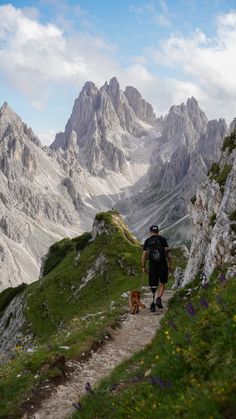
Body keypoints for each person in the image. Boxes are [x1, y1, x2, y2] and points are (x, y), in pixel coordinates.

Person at [141, 225, 172, 311]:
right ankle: (159, 298)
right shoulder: (163, 240)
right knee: (162, 282)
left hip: (152, 265)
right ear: (158, 231)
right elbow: (169, 255)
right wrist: (170, 265)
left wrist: (143, 266)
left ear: (150, 232)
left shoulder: (147, 241)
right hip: (162, 264)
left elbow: (144, 255)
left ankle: (153, 303)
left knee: (153, 284)